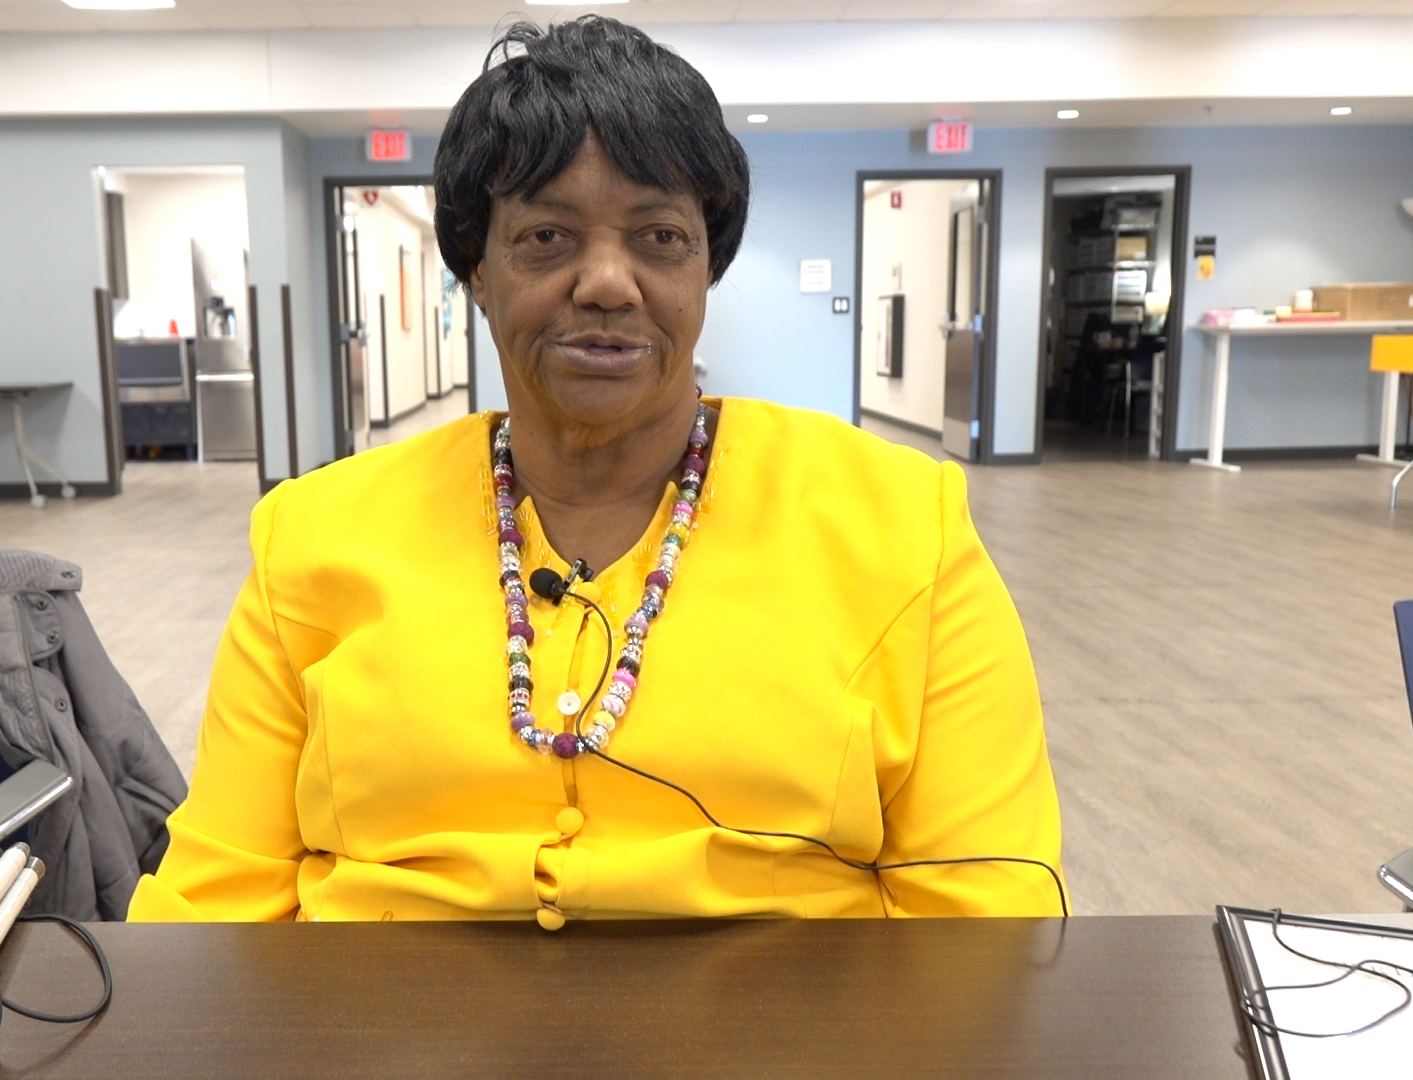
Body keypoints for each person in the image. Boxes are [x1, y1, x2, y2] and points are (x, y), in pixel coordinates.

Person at [128, 16, 1062, 928]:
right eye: (547, 237)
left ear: (705, 271)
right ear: (478, 273)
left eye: (660, 237)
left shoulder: (906, 529)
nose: (609, 282)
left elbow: (986, 921)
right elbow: (215, 906)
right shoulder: (314, 539)